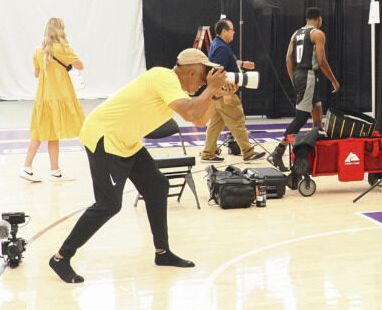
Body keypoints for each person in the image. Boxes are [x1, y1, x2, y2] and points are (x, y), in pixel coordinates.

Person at [48, 48, 236, 284]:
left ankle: (162, 252)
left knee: (157, 186)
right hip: (104, 136)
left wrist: (216, 96)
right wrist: (210, 89)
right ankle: (61, 257)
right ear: (189, 70)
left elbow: (199, 120)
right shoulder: (164, 77)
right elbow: (191, 113)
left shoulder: (174, 90)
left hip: (125, 141)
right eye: (203, 74)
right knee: (109, 204)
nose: (203, 80)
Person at [270, 7, 340, 172]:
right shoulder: (317, 33)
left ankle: (318, 153)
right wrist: (334, 81)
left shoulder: (296, 34)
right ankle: (278, 152)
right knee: (301, 118)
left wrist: (294, 78)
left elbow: (288, 58)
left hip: (300, 75)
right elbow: (321, 61)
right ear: (319, 19)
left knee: (317, 111)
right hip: (308, 75)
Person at [21, 18, 85, 182]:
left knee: (42, 133)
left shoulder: (38, 51)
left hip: (43, 97)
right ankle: (45, 169)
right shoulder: (63, 48)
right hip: (60, 95)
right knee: (53, 132)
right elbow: (79, 65)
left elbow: (37, 74)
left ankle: (39, 168)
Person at [200, 17, 266, 163]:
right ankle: (248, 152)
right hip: (225, 91)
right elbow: (219, 70)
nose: (234, 33)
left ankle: (208, 153)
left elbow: (222, 64)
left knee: (216, 124)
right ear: (224, 31)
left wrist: (241, 63)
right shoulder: (222, 47)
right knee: (237, 119)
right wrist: (226, 93)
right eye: (232, 30)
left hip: (217, 93)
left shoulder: (217, 44)